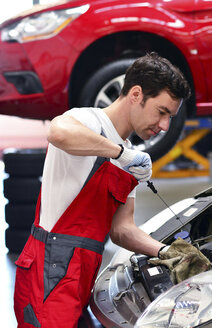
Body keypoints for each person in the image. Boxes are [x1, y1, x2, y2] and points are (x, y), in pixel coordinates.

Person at [13, 52, 191, 328]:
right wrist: (119, 154)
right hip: (49, 268)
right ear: (136, 94)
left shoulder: (129, 155)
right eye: (162, 112)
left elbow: (122, 230)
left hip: (83, 273)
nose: (165, 125)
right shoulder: (87, 120)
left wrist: (168, 252)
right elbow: (57, 134)